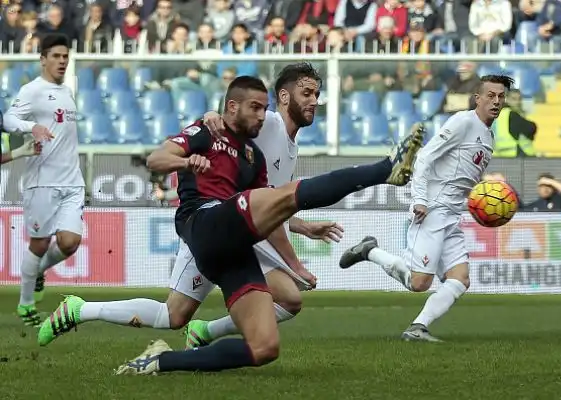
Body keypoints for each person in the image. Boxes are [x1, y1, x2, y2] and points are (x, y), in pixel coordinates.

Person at [110, 74, 422, 374]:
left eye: (263, 108)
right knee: (288, 194)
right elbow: (157, 159)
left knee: (264, 348)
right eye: (256, 108)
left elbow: (271, 214)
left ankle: (159, 362)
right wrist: (192, 150)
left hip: (232, 245)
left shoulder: (255, 156)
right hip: (205, 220)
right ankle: (385, 169)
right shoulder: (249, 125)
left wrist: (295, 262)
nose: (261, 115)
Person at [36, 63, 344, 347]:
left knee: (289, 300)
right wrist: (211, 114)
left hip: (241, 234)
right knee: (173, 316)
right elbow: (229, 120)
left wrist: (303, 227)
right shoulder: (270, 124)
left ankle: (205, 331)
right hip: (213, 226)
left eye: (316, 93)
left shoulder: (290, 148)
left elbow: (265, 202)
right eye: (306, 93)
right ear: (283, 96)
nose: (315, 100)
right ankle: (81, 309)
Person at [338, 75, 514, 343]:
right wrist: (420, 198)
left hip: (453, 215)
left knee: (460, 279)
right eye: (490, 95)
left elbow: (462, 173)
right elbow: (425, 156)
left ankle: (418, 327)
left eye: (501, 96)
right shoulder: (463, 122)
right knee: (419, 283)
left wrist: (485, 194)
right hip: (432, 210)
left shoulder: (488, 135)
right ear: (477, 98)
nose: (496, 101)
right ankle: (369, 251)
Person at [3, 33, 84, 327]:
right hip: (42, 180)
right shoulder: (33, 90)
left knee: (71, 242)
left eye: (65, 56)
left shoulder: (68, 90)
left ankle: (37, 272)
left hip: (72, 180)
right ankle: (25, 304)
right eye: (56, 56)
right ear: (43, 59)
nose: (62, 61)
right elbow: (9, 119)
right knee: (39, 244)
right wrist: (31, 126)